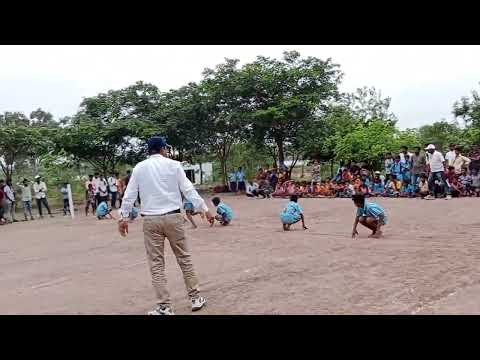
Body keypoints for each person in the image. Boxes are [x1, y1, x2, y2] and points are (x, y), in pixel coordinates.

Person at [118, 136, 214, 315]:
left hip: (150, 220)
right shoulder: (174, 165)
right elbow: (188, 190)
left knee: (156, 265)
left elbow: (130, 194)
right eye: (166, 148)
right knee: (184, 259)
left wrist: (123, 217)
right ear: (162, 149)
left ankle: (164, 307)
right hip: (174, 217)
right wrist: (205, 209)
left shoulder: (139, 167)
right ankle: (195, 299)